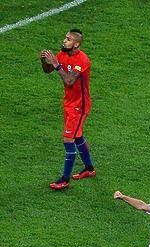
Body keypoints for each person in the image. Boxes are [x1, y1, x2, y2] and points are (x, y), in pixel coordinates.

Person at [40, 29, 96, 190]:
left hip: (80, 106)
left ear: (76, 44)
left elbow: (69, 80)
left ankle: (64, 179)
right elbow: (48, 70)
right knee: (77, 137)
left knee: (68, 139)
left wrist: (56, 64)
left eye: (69, 39)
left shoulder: (82, 60)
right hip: (69, 103)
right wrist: (44, 61)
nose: (64, 41)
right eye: (65, 38)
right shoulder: (62, 54)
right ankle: (89, 169)